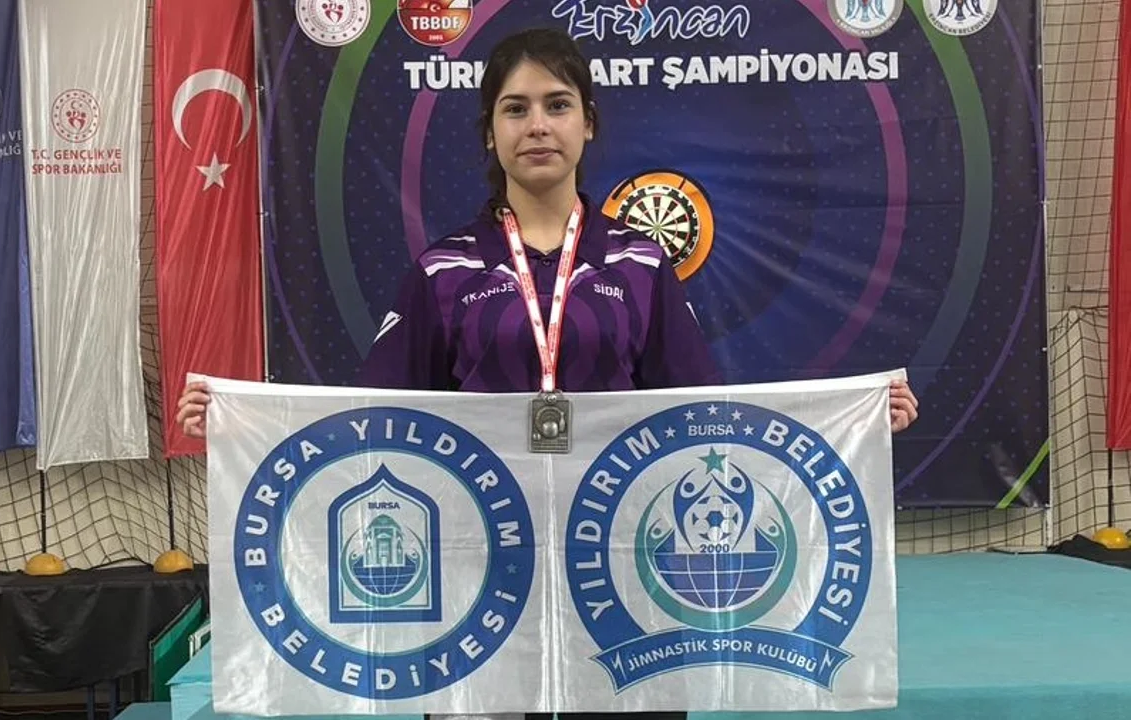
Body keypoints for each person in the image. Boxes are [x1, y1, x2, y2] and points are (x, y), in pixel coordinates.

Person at [176, 25, 918, 720]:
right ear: (490, 132)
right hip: (479, 567)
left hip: (617, 562)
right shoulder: (445, 269)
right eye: (516, 108)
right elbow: (374, 419)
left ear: (588, 123)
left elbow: (703, 418)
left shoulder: (638, 262)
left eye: (558, 105)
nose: (538, 125)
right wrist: (240, 423)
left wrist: (854, 419)